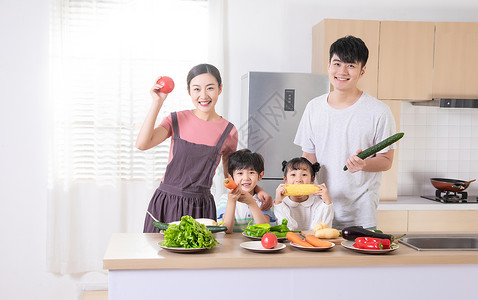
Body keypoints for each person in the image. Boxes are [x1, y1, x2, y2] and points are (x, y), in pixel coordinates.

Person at [137, 64, 271, 233]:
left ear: (220, 89)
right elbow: (142, 144)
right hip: (167, 202)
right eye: (197, 89)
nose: (203, 95)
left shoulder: (228, 131)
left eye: (210, 88)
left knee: (198, 259)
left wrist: (257, 189)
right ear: (188, 91)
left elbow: (231, 176)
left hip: (200, 207)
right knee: (160, 256)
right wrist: (157, 102)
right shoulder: (176, 119)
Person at [294, 35, 397, 230]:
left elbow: (386, 160)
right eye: (337, 63)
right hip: (320, 209)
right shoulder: (313, 107)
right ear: (328, 65)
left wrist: (364, 163)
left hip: (361, 212)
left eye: (350, 65)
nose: (342, 71)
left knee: (359, 260)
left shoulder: (379, 111)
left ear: (362, 70)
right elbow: (308, 157)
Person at [216, 149, 276, 233]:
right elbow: (227, 230)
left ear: (260, 175)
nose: (246, 178)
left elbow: (265, 230)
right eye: (240, 173)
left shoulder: (263, 200)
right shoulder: (224, 200)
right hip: (231, 245)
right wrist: (232, 201)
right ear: (231, 177)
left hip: (256, 245)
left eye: (251, 172)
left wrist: (252, 203)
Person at [273, 157, 333, 231]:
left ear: (312, 180)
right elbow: (288, 229)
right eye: (293, 175)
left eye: (304, 175)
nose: (299, 180)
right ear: (285, 180)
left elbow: (321, 230)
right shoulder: (281, 204)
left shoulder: (318, 204)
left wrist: (327, 203)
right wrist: (278, 203)